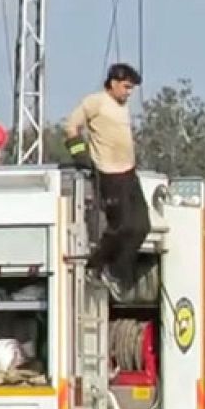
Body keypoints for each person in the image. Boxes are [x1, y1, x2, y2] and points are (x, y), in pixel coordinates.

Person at [64, 63, 147, 298]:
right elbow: (71, 125)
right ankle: (97, 266)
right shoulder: (95, 102)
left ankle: (116, 272)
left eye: (131, 89)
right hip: (109, 174)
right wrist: (79, 153)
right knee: (121, 226)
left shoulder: (123, 107)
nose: (128, 93)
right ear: (113, 83)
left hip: (129, 172)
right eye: (126, 87)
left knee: (142, 226)